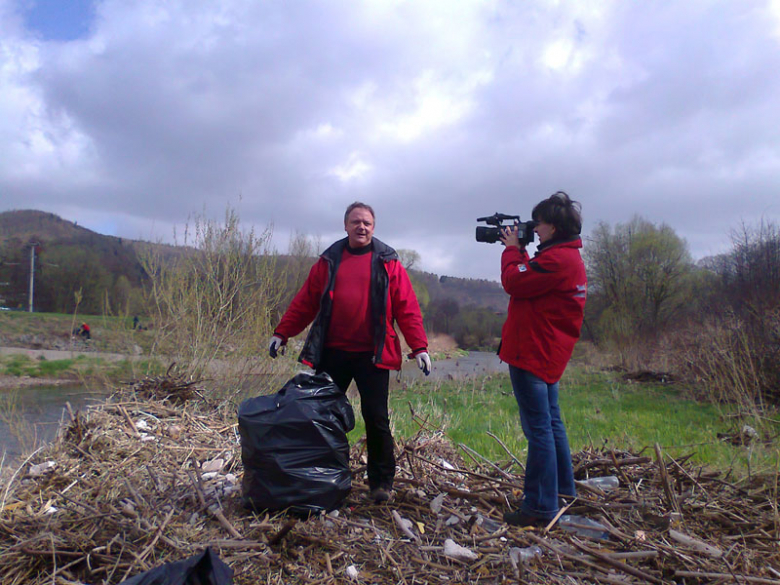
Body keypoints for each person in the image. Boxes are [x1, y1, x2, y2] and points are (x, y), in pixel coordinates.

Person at [269, 202, 431, 503]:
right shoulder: (330, 260)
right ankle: (322, 477)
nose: (362, 227)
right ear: (345, 226)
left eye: (367, 223)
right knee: (323, 416)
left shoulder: (388, 261)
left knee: (376, 418)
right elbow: (305, 301)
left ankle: (381, 484)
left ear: (374, 226)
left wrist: (419, 347)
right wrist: (282, 332)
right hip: (333, 353)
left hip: (373, 355)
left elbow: (407, 308)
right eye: (356, 222)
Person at [497, 191, 587, 527]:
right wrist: (520, 251)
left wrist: (511, 250)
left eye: (541, 222)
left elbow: (514, 281)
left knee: (539, 432)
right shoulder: (565, 257)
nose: (535, 228)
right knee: (551, 424)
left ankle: (539, 506)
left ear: (556, 226)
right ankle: (563, 492)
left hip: (533, 353)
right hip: (546, 352)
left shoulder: (556, 261)